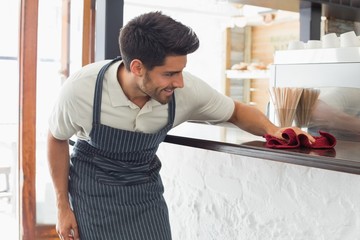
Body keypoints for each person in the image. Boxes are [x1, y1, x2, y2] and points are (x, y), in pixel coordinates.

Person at [47, 11, 314, 240]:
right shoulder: (82, 89)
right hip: (92, 197)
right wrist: (62, 206)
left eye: (181, 71)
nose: (180, 82)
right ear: (137, 67)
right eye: (170, 73)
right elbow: (56, 138)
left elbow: (237, 112)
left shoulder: (184, 92)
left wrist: (274, 129)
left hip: (145, 196)